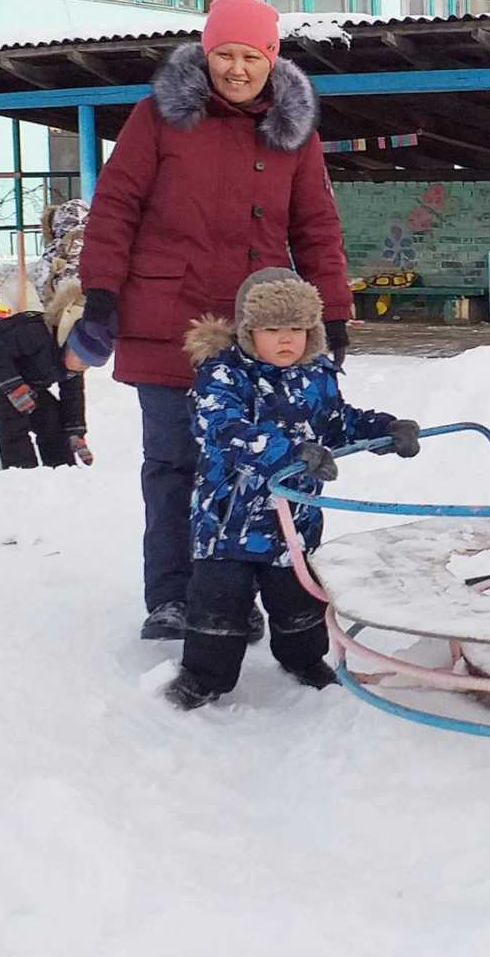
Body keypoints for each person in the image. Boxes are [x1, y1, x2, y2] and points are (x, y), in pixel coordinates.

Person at [69, 0, 354, 640]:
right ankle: (172, 596)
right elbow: (116, 206)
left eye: (248, 56)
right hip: (169, 320)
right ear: (205, 53)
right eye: (223, 53)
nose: (235, 68)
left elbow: (316, 226)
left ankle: (232, 592)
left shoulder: (291, 132)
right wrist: (103, 292)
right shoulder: (158, 118)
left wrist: (331, 312)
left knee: (253, 465)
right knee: (175, 464)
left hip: (258, 333)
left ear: (270, 58)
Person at [163, 268, 421, 709]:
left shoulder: (315, 373)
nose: (286, 340)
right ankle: (204, 677)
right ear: (248, 331)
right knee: (220, 606)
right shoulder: (224, 374)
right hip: (230, 524)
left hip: (293, 523)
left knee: (298, 602)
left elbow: (337, 421)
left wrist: (383, 430)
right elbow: (222, 428)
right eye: (272, 329)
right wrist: (289, 453)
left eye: (297, 329)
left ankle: (305, 660)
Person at [0, 283, 88, 470]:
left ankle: (62, 469)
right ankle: (21, 473)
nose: (82, 366)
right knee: (13, 424)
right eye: (81, 358)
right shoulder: (36, 333)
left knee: (52, 419)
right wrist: (15, 388)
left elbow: (73, 395)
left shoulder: (73, 363)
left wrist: (75, 431)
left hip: (27, 380)